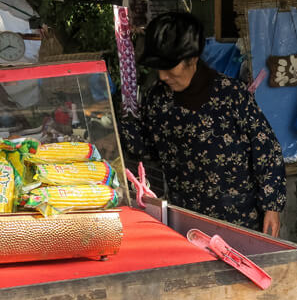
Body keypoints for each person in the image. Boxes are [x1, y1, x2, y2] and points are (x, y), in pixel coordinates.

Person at [121, 12, 286, 236]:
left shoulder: (231, 94)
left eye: (169, 67)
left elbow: (267, 151)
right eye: (157, 68)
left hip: (240, 221)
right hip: (186, 223)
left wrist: (271, 207)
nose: (162, 76)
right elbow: (149, 151)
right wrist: (123, 122)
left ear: (193, 58)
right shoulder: (158, 100)